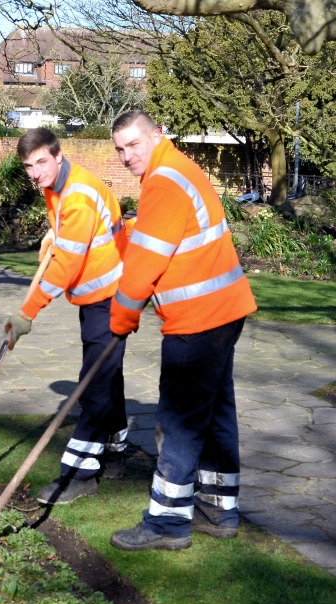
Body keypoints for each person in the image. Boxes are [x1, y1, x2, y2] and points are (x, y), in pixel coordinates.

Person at [108, 110, 257, 551]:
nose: (126, 155)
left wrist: (121, 316)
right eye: (120, 149)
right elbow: (168, 238)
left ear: (157, 135)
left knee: (178, 420)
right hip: (224, 310)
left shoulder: (164, 182)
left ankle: (167, 522)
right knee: (215, 413)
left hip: (199, 320)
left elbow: (143, 265)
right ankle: (218, 508)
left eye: (134, 144)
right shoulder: (178, 169)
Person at [4, 127, 129, 505]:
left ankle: (78, 475)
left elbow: (65, 269)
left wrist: (27, 313)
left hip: (113, 297)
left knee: (94, 382)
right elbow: (70, 238)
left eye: (41, 162)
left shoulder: (76, 195)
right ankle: (116, 452)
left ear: (58, 155)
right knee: (107, 373)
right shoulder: (56, 185)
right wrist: (53, 236)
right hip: (95, 296)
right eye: (29, 166)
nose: (35, 173)